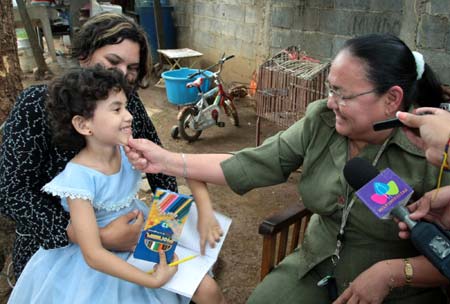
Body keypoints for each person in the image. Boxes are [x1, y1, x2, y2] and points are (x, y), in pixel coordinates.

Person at [125, 34, 450, 303]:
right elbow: (252, 162)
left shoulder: (436, 152)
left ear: (392, 99)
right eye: (330, 88)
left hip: (399, 287)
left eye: (342, 94)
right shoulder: (322, 121)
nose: (331, 101)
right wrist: (165, 159)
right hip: (317, 263)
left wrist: (392, 273)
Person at [8, 66, 225, 304]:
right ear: (84, 125)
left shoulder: (130, 150)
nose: (129, 116)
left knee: (209, 291)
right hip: (97, 269)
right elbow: (93, 255)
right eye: (116, 109)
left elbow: (183, 167)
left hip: (143, 240)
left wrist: (204, 211)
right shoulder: (78, 179)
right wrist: (152, 280)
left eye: (126, 106)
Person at [0, 12, 177, 280]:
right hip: (53, 249)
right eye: (112, 61)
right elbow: (10, 189)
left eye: (131, 68)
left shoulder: (130, 106)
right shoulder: (36, 105)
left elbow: (161, 171)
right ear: (84, 57)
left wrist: (164, 231)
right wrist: (88, 236)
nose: (121, 74)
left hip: (128, 237)